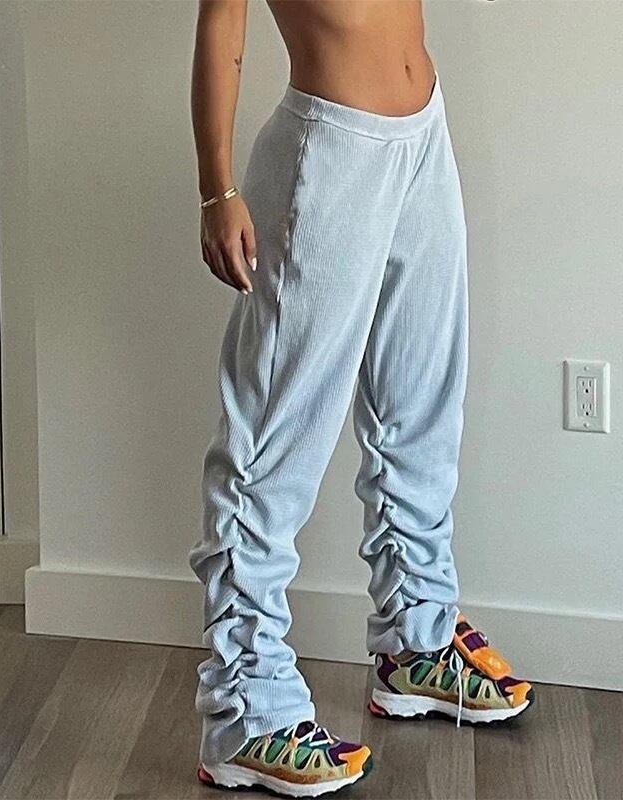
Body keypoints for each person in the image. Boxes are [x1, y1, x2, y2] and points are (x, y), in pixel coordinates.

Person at [188, 1, 534, 795]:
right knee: (269, 443)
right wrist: (216, 188)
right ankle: (246, 711)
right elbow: (222, 25)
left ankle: (417, 640)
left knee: (420, 406)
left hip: (423, 136)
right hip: (329, 150)